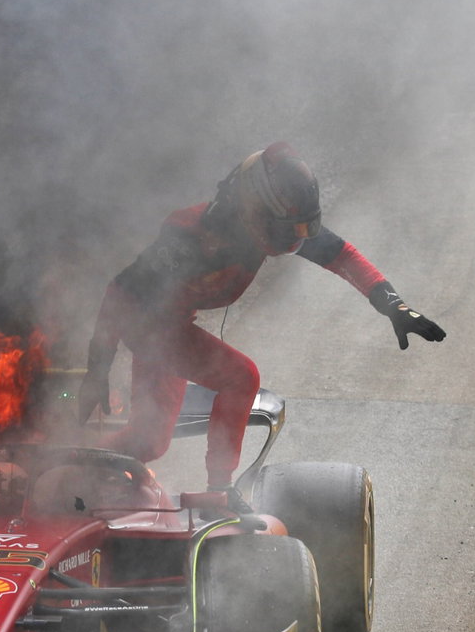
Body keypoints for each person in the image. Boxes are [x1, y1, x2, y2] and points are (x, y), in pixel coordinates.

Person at [76, 143, 445, 504]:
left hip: (171, 328)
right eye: (289, 231)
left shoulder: (272, 227)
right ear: (252, 210)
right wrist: (98, 369)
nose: (296, 241)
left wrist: (393, 305)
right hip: (147, 327)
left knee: (149, 442)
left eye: (302, 229)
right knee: (240, 377)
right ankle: (219, 490)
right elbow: (119, 293)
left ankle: (71, 466)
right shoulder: (190, 238)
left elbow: (341, 256)